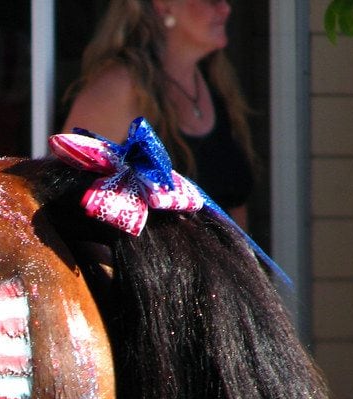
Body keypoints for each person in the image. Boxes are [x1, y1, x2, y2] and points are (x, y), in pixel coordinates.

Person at [62, 0, 256, 228]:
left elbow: (235, 205)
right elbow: (65, 195)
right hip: (148, 262)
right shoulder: (119, 88)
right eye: (211, 1)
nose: (225, 9)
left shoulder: (217, 85)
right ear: (164, 5)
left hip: (218, 262)